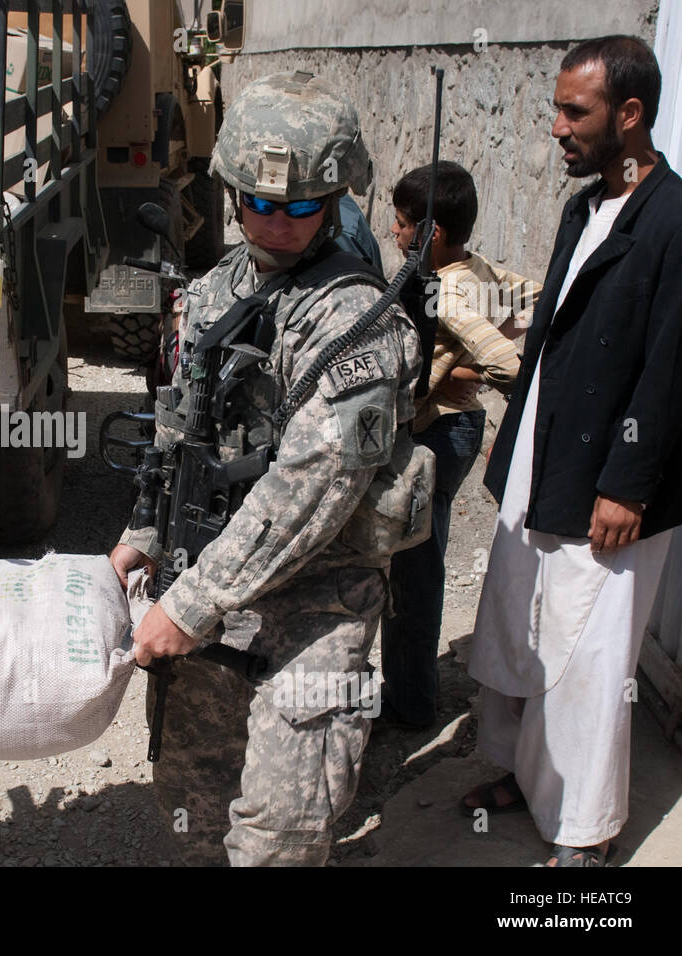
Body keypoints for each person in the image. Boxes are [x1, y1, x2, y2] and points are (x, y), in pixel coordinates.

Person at [110, 71, 423, 866]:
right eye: (260, 204)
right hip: (216, 591)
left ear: (335, 200)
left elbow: (313, 487)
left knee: (279, 836)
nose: (277, 224)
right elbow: (180, 428)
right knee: (191, 803)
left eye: (301, 207)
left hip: (315, 605)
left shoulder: (360, 324)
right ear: (232, 193)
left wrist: (188, 607)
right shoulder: (215, 290)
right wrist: (144, 531)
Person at [462, 35, 682, 867]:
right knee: (521, 630)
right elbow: (554, 338)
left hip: (612, 487)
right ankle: (529, 776)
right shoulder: (585, 206)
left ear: (629, 114)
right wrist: (510, 450)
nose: (555, 126)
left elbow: (671, 368)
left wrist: (629, 484)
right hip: (545, 466)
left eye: (573, 111)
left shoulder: (673, 219)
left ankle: (585, 832)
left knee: (589, 656)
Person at [379, 160, 534, 728]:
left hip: (438, 436)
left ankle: (410, 704)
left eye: (400, 224)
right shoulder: (475, 269)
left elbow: (506, 362)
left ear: (430, 232)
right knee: (414, 565)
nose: (393, 234)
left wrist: (462, 369)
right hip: (455, 431)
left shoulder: (448, 289)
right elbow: (537, 295)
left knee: (413, 575)